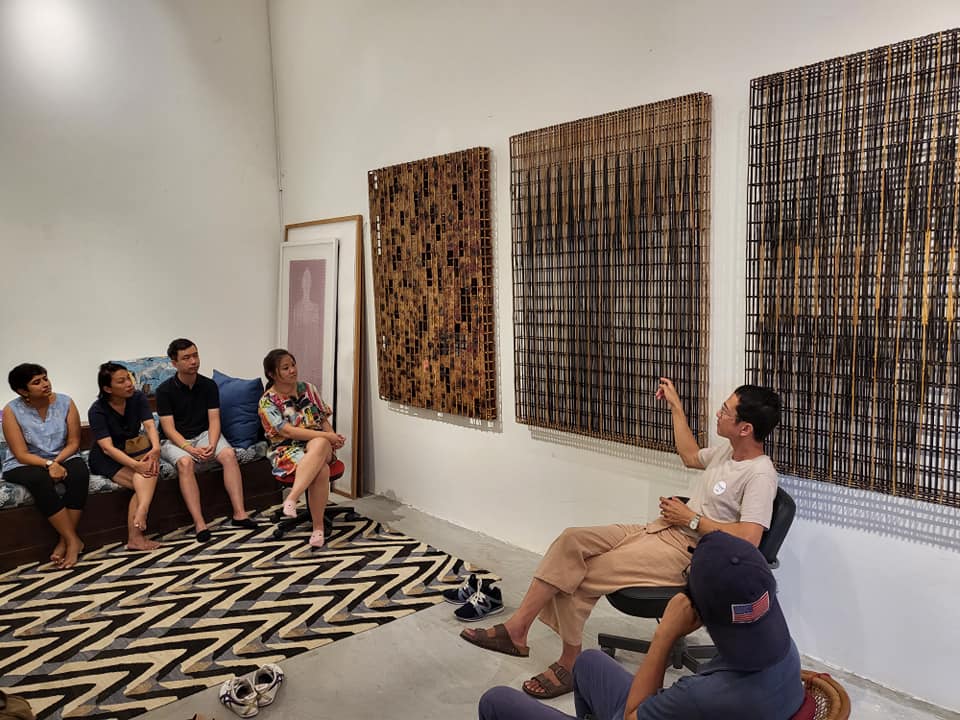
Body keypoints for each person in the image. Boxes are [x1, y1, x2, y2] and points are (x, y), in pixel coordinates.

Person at [462, 378, 782, 699]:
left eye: (726, 411)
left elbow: (749, 539)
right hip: (663, 529)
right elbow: (689, 455)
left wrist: (692, 519)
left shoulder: (760, 475)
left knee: (582, 575)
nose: (718, 413)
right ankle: (517, 629)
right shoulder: (728, 450)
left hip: (689, 553)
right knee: (570, 541)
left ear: (745, 428)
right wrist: (675, 407)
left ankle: (570, 664)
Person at [478, 531, 806, 719]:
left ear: (697, 611)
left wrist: (665, 634)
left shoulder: (699, 695)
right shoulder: (784, 651)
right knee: (589, 663)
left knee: (495, 701)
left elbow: (636, 714)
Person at [156, 338, 257, 542]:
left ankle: (240, 513)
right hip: (174, 440)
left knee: (228, 454)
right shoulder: (164, 390)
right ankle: (199, 522)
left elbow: (214, 419)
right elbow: (168, 428)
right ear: (174, 363)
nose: (193, 361)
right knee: (185, 463)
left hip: (203, 434)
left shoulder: (209, 385)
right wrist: (189, 449)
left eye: (195, 355)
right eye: (186, 358)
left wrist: (211, 444)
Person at [1, 363, 89, 568]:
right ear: (23, 391)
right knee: (39, 479)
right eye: (36, 382)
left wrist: (56, 462)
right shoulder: (11, 411)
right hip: (24, 462)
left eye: (45, 378)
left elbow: (74, 442)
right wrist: (48, 464)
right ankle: (72, 539)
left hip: (62, 455)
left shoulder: (66, 402)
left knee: (79, 473)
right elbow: (21, 454)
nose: (45, 384)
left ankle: (64, 542)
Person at [258, 348, 344, 548]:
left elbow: (321, 420)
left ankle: (292, 498)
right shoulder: (267, 401)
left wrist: (333, 439)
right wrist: (327, 437)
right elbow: (288, 432)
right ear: (272, 374)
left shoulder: (308, 389)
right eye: (285, 368)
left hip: (319, 444)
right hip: (286, 450)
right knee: (320, 467)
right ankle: (318, 528)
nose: (292, 371)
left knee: (321, 445)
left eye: (293, 365)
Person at [87, 362, 162, 552]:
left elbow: (150, 426)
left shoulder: (137, 398)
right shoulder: (97, 410)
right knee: (144, 477)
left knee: (149, 469)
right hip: (106, 458)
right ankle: (138, 529)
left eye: (129, 378)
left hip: (132, 451)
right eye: (121, 381)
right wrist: (136, 466)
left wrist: (155, 447)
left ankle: (139, 519)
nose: (129, 384)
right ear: (107, 388)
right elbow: (107, 448)